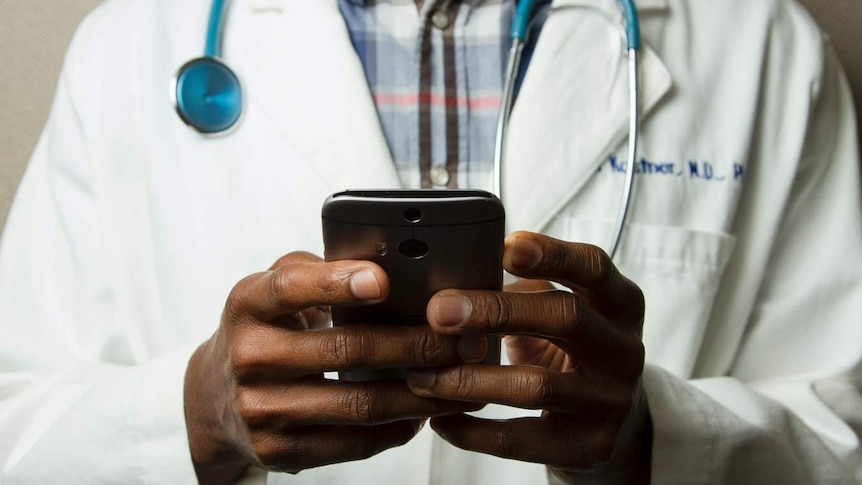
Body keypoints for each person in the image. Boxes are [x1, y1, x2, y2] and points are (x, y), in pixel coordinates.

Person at [1, 0, 860, 483]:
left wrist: (652, 440)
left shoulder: (766, 46)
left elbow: (843, 432)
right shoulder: (129, 46)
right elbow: (18, 435)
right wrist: (194, 413)